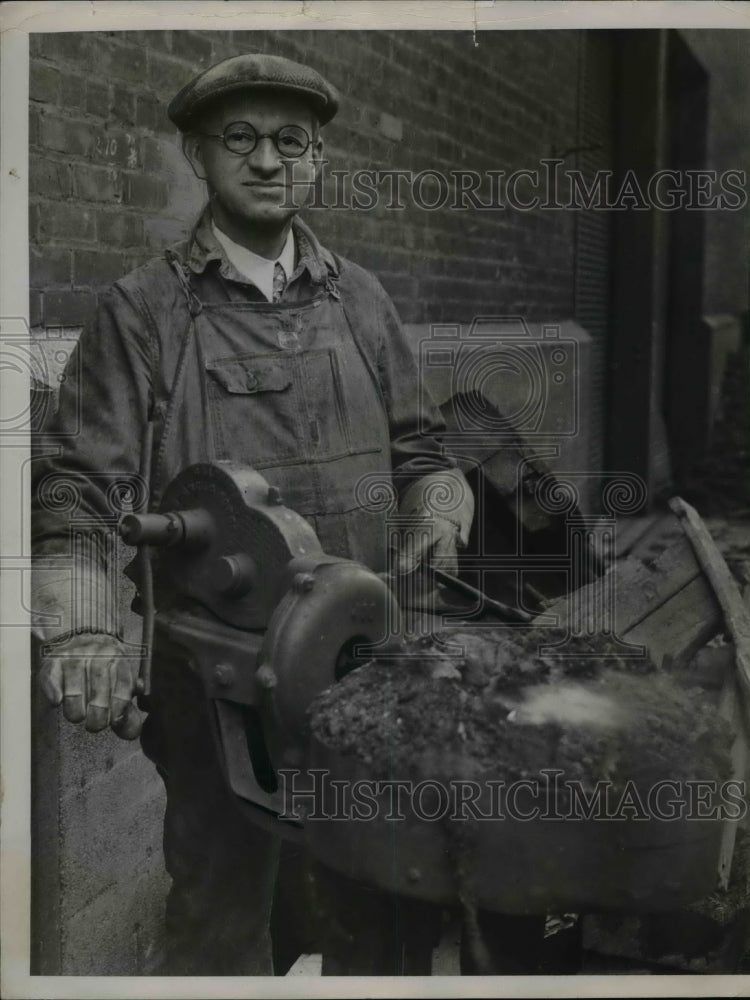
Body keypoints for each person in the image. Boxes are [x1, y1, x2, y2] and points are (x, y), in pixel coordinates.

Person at [30, 52, 474, 975]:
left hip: (359, 663)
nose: (267, 161)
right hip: (212, 685)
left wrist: (439, 513)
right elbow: (76, 488)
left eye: (290, 141)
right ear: (198, 154)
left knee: (375, 903)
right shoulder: (142, 308)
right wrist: (82, 637)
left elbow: (424, 454)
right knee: (222, 913)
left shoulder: (363, 300)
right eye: (240, 139)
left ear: (315, 160)